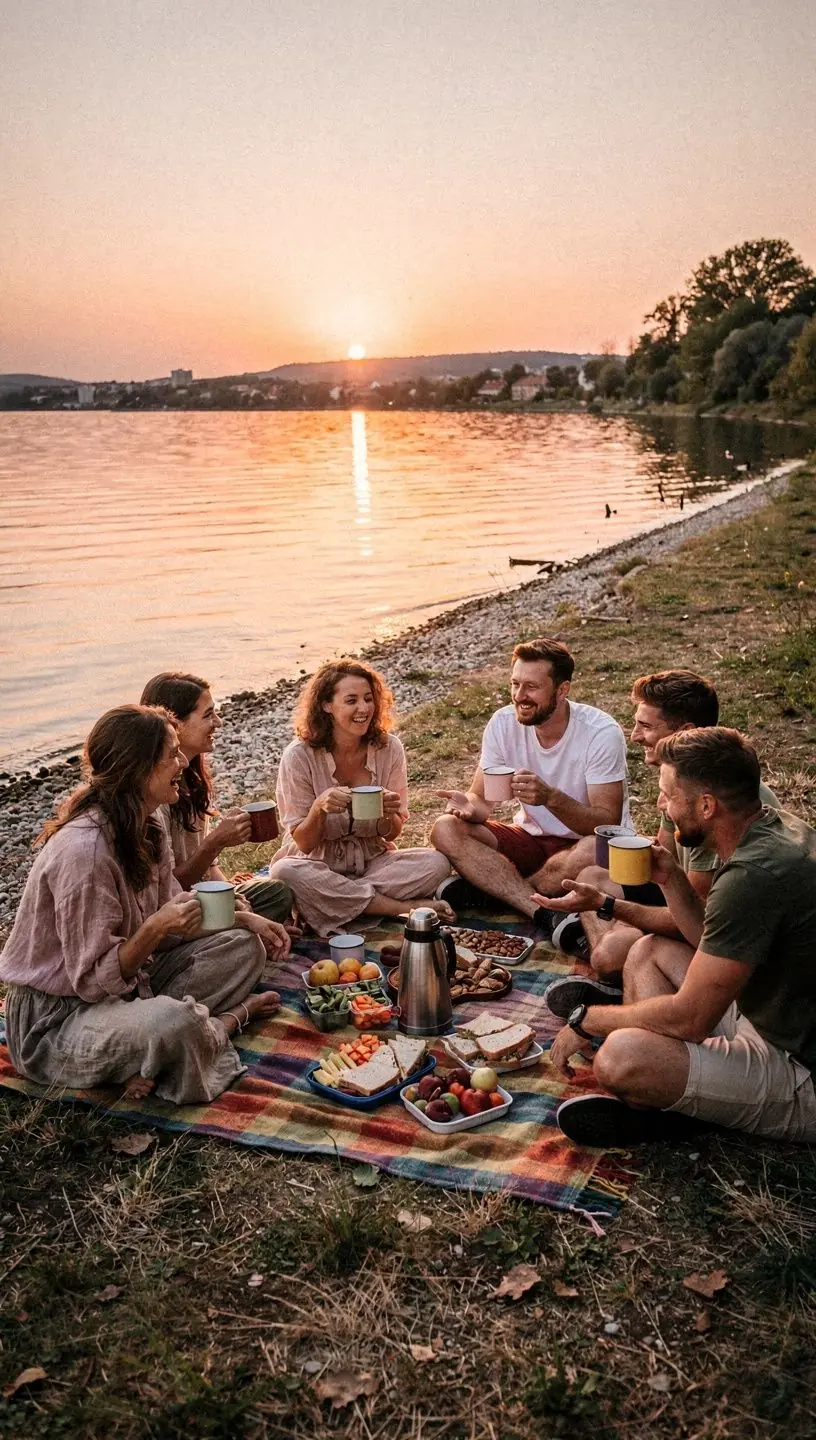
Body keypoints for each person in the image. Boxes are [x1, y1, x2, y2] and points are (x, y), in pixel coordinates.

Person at [0, 706, 291, 1105]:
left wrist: (243, 918)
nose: (183, 761)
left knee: (243, 945)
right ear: (138, 769)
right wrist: (153, 928)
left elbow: (176, 916)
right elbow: (92, 982)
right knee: (173, 1022)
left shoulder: (149, 825)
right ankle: (226, 1022)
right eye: (171, 754)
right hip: (59, 1020)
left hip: (130, 988)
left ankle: (146, 1053)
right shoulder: (84, 852)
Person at [548, 728, 816, 1147]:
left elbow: (691, 1020)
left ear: (706, 805)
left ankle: (678, 1108)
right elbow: (709, 938)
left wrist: (590, 1019)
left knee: (619, 1056)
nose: (660, 805)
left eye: (668, 795)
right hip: (769, 1015)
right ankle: (681, 1091)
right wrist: (671, 880)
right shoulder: (772, 827)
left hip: (799, 1067)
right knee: (648, 950)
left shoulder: (753, 877)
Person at [542, 670, 779, 1013]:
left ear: (683, 732)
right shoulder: (679, 780)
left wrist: (611, 908)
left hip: (712, 925)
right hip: (683, 896)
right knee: (593, 873)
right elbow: (662, 855)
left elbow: (694, 917)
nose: (635, 735)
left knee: (610, 949)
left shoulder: (704, 803)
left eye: (645, 726)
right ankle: (613, 972)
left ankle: (615, 975)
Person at [430, 638, 631, 928]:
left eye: (532, 687)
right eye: (515, 684)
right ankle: (540, 910)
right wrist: (468, 807)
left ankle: (497, 891)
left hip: (584, 849)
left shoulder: (600, 733)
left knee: (595, 848)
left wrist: (551, 798)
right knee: (445, 828)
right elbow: (482, 800)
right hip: (531, 840)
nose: (519, 696)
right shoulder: (503, 723)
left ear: (562, 691)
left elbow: (606, 821)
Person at [268, 659, 452, 936]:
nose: (364, 709)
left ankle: (336, 903)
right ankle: (402, 907)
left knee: (437, 864)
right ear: (327, 705)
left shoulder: (389, 748)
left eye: (368, 699)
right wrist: (319, 809)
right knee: (285, 873)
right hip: (315, 862)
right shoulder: (299, 756)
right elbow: (303, 841)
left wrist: (388, 814)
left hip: (370, 862)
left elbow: (391, 835)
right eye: (351, 700)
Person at [140, 673, 293, 924]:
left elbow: (210, 869)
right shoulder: (156, 797)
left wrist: (236, 901)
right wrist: (215, 843)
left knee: (277, 893)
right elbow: (165, 891)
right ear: (175, 722)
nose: (218, 722)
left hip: (205, 898)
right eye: (208, 715)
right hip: (174, 912)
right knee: (245, 937)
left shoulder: (193, 777)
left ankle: (247, 929)